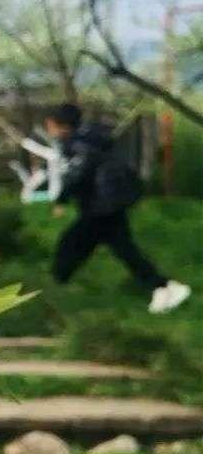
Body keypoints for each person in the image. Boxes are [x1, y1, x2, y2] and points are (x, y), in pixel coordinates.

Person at [46, 103, 190, 313]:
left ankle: (54, 289)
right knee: (120, 249)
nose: (49, 131)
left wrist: (61, 200)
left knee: (71, 244)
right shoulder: (90, 139)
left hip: (101, 206)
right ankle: (163, 286)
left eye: (50, 126)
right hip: (108, 203)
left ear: (61, 126)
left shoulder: (78, 144)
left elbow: (79, 174)